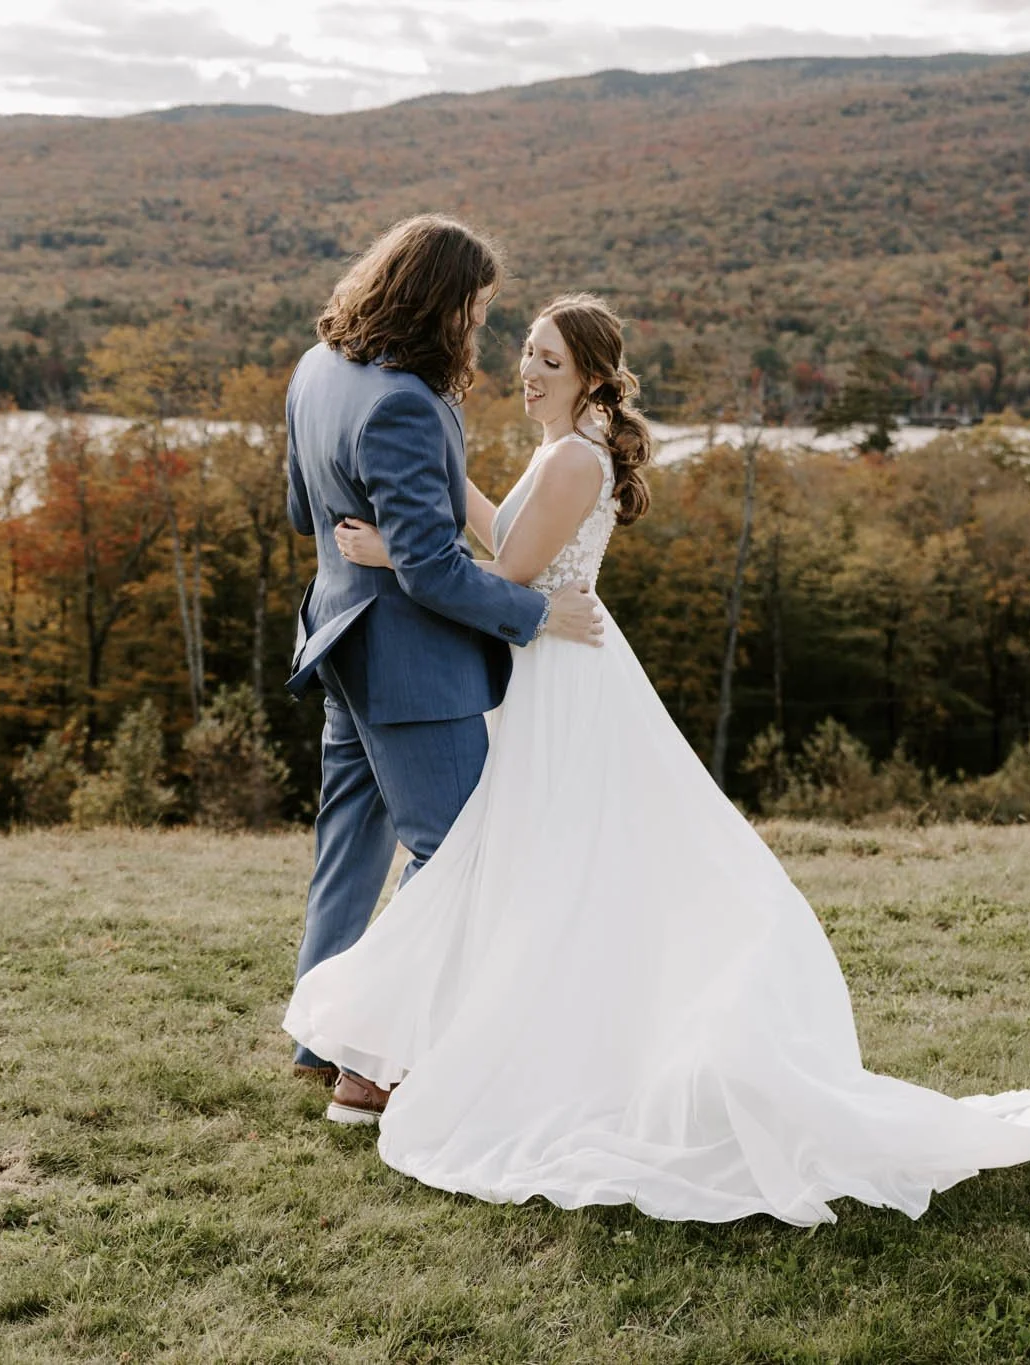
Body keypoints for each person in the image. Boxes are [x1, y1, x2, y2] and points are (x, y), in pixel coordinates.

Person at [284, 293, 1030, 1225]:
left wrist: (393, 551)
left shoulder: (576, 461)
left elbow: (503, 575)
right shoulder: (560, 455)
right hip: (548, 666)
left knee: (507, 859)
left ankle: (393, 1054)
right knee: (514, 860)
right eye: (526, 353)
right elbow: (501, 530)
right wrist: (440, 485)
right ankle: (400, 1049)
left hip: (564, 670)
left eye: (550, 359)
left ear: (590, 375)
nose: (528, 370)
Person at [282, 216, 605, 1124]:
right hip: (408, 664)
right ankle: (370, 1064)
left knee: (347, 841)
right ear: (437, 303)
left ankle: (319, 1034)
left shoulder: (316, 371)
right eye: (473, 308)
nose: (479, 329)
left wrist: (366, 554)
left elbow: (301, 505)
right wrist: (537, 612)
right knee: (454, 852)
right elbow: (428, 568)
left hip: (335, 637)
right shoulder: (406, 403)